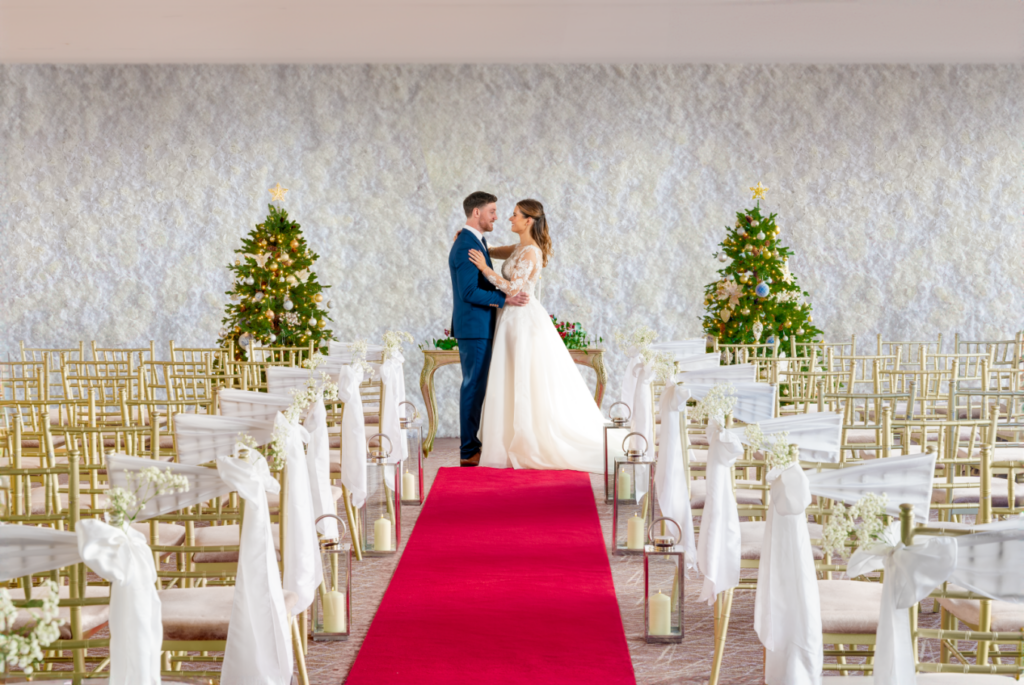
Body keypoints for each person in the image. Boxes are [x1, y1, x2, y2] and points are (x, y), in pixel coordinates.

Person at [466, 199, 605, 473]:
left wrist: (484, 268)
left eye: (515, 215)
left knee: (523, 379)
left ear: (528, 220)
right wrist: (473, 239)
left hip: (522, 321)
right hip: (510, 320)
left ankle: (528, 441)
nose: (509, 218)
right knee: (509, 378)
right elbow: (492, 249)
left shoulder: (531, 252)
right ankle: (506, 441)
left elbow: (512, 289)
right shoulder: (519, 248)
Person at [448, 192, 530, 467]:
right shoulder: (465, 246)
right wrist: (503, 299)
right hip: (474, 327)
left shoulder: (475, 241)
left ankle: (476, 445)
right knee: (473, 387)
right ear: (476, 214)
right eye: (492, 211)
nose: (497, 216)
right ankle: (468, 451)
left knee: (480, 386)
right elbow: (468, 291)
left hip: (480, 325)